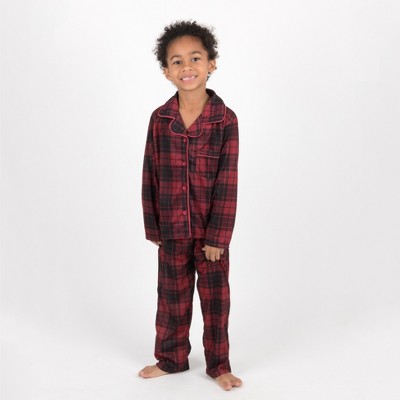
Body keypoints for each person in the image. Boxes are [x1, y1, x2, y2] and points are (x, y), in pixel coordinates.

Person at [139, 20, 242, 391]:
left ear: (211, 63)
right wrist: (154, 227)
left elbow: (228, 181)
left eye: (195, 58)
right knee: (171, 299)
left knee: (215, 302)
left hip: (210, 235)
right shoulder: (160, 119)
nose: (187, 67)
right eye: (177, 61)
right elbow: (150, 173)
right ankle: (171, 359)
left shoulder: (225, 120)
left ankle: (219, 365)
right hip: (171, 230)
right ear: (166, 71)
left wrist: (218, 237)